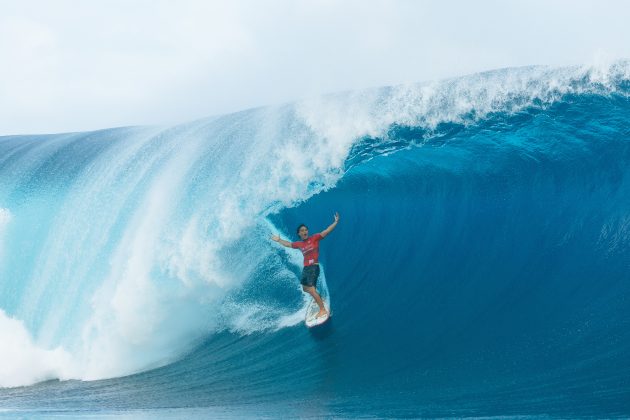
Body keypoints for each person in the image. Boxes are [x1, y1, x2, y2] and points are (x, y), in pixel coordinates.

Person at [271, 212, 340, 319]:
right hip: (306, 268)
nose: (305, 232)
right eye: (302, 231)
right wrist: (279, 240)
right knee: (305, 288)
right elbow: (288, 244)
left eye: (305, 230)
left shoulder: (315, 238)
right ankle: (318, 297)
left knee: (311, 289)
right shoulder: (299, 244)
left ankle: (322, 309)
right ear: (299, 233)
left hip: (314, 267)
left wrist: (335, 222)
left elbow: (326, 231)